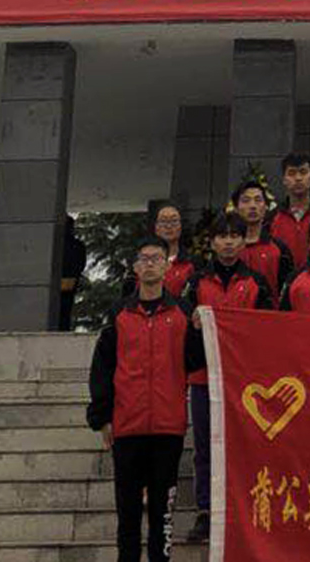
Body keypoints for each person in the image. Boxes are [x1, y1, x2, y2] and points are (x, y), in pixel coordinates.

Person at [87, 236, 199, 562]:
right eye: (144, 259)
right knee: (128, 511)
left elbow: (196, 361)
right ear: (135, 267)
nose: (150, 264)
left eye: (156, 259)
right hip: (127, 425)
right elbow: (102, 368)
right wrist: (103, 417)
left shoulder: (182, 311)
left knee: (162, 513)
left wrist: (198, 331)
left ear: (166, 266)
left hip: (167, 426)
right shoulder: (119, 314)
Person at [181, 211, 271, 546]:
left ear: (244, 241)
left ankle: (244, 509)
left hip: (245, 382)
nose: (229, 243)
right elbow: (183, 330)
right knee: (205, 447)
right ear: (213, 242)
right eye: (222, 236)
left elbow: (267, 329)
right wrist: (194, 324)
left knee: (244, 445)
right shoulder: (197, 283)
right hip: (204, 378)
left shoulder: (257, 283)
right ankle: (206, 510)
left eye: (235, 236)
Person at [232, 180, 293, 296]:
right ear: (236, 208)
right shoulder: (228, 246)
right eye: (246, 201)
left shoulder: (279, 249)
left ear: (266, 207)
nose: (252, 206)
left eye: (258, 200)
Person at [268, 152, 310, 271]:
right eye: (292, 173)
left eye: (303, 172)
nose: (298, 178)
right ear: (284, 179)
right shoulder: (271, 218)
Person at [151, 201, 196, 299]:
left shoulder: (192, 262)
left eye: (174, 221)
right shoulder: (145, 261)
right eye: (163, 221)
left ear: (181, 226)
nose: (169, 226)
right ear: (156, 228)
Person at [59, 215, 87, 330]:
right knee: (65, 308)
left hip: (61, 280)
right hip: (70, 280)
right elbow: (81, 265)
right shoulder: (77, 245)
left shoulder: (56, 243)